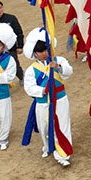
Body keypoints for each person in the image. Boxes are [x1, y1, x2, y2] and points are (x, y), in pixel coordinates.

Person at [22, 28, 73, 166]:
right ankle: (47, 146)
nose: (44, 54)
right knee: (44, 126)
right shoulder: (32, 69)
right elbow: (29, 87)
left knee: (63, 124)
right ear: (35, 53)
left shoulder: (58, 60)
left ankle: (63, 153)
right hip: (43, 102)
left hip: (60, 99)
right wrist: (42, 90)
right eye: (40, 51)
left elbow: (68, 72)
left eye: (45, 50)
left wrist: (58, 67)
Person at [0, 0, 24, 75]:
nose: (0, 10)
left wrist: (20, 46)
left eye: (1, 8)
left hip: (11, 48)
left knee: (14, 64)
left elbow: (19, 33)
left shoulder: (11, 18)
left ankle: (21, 76)